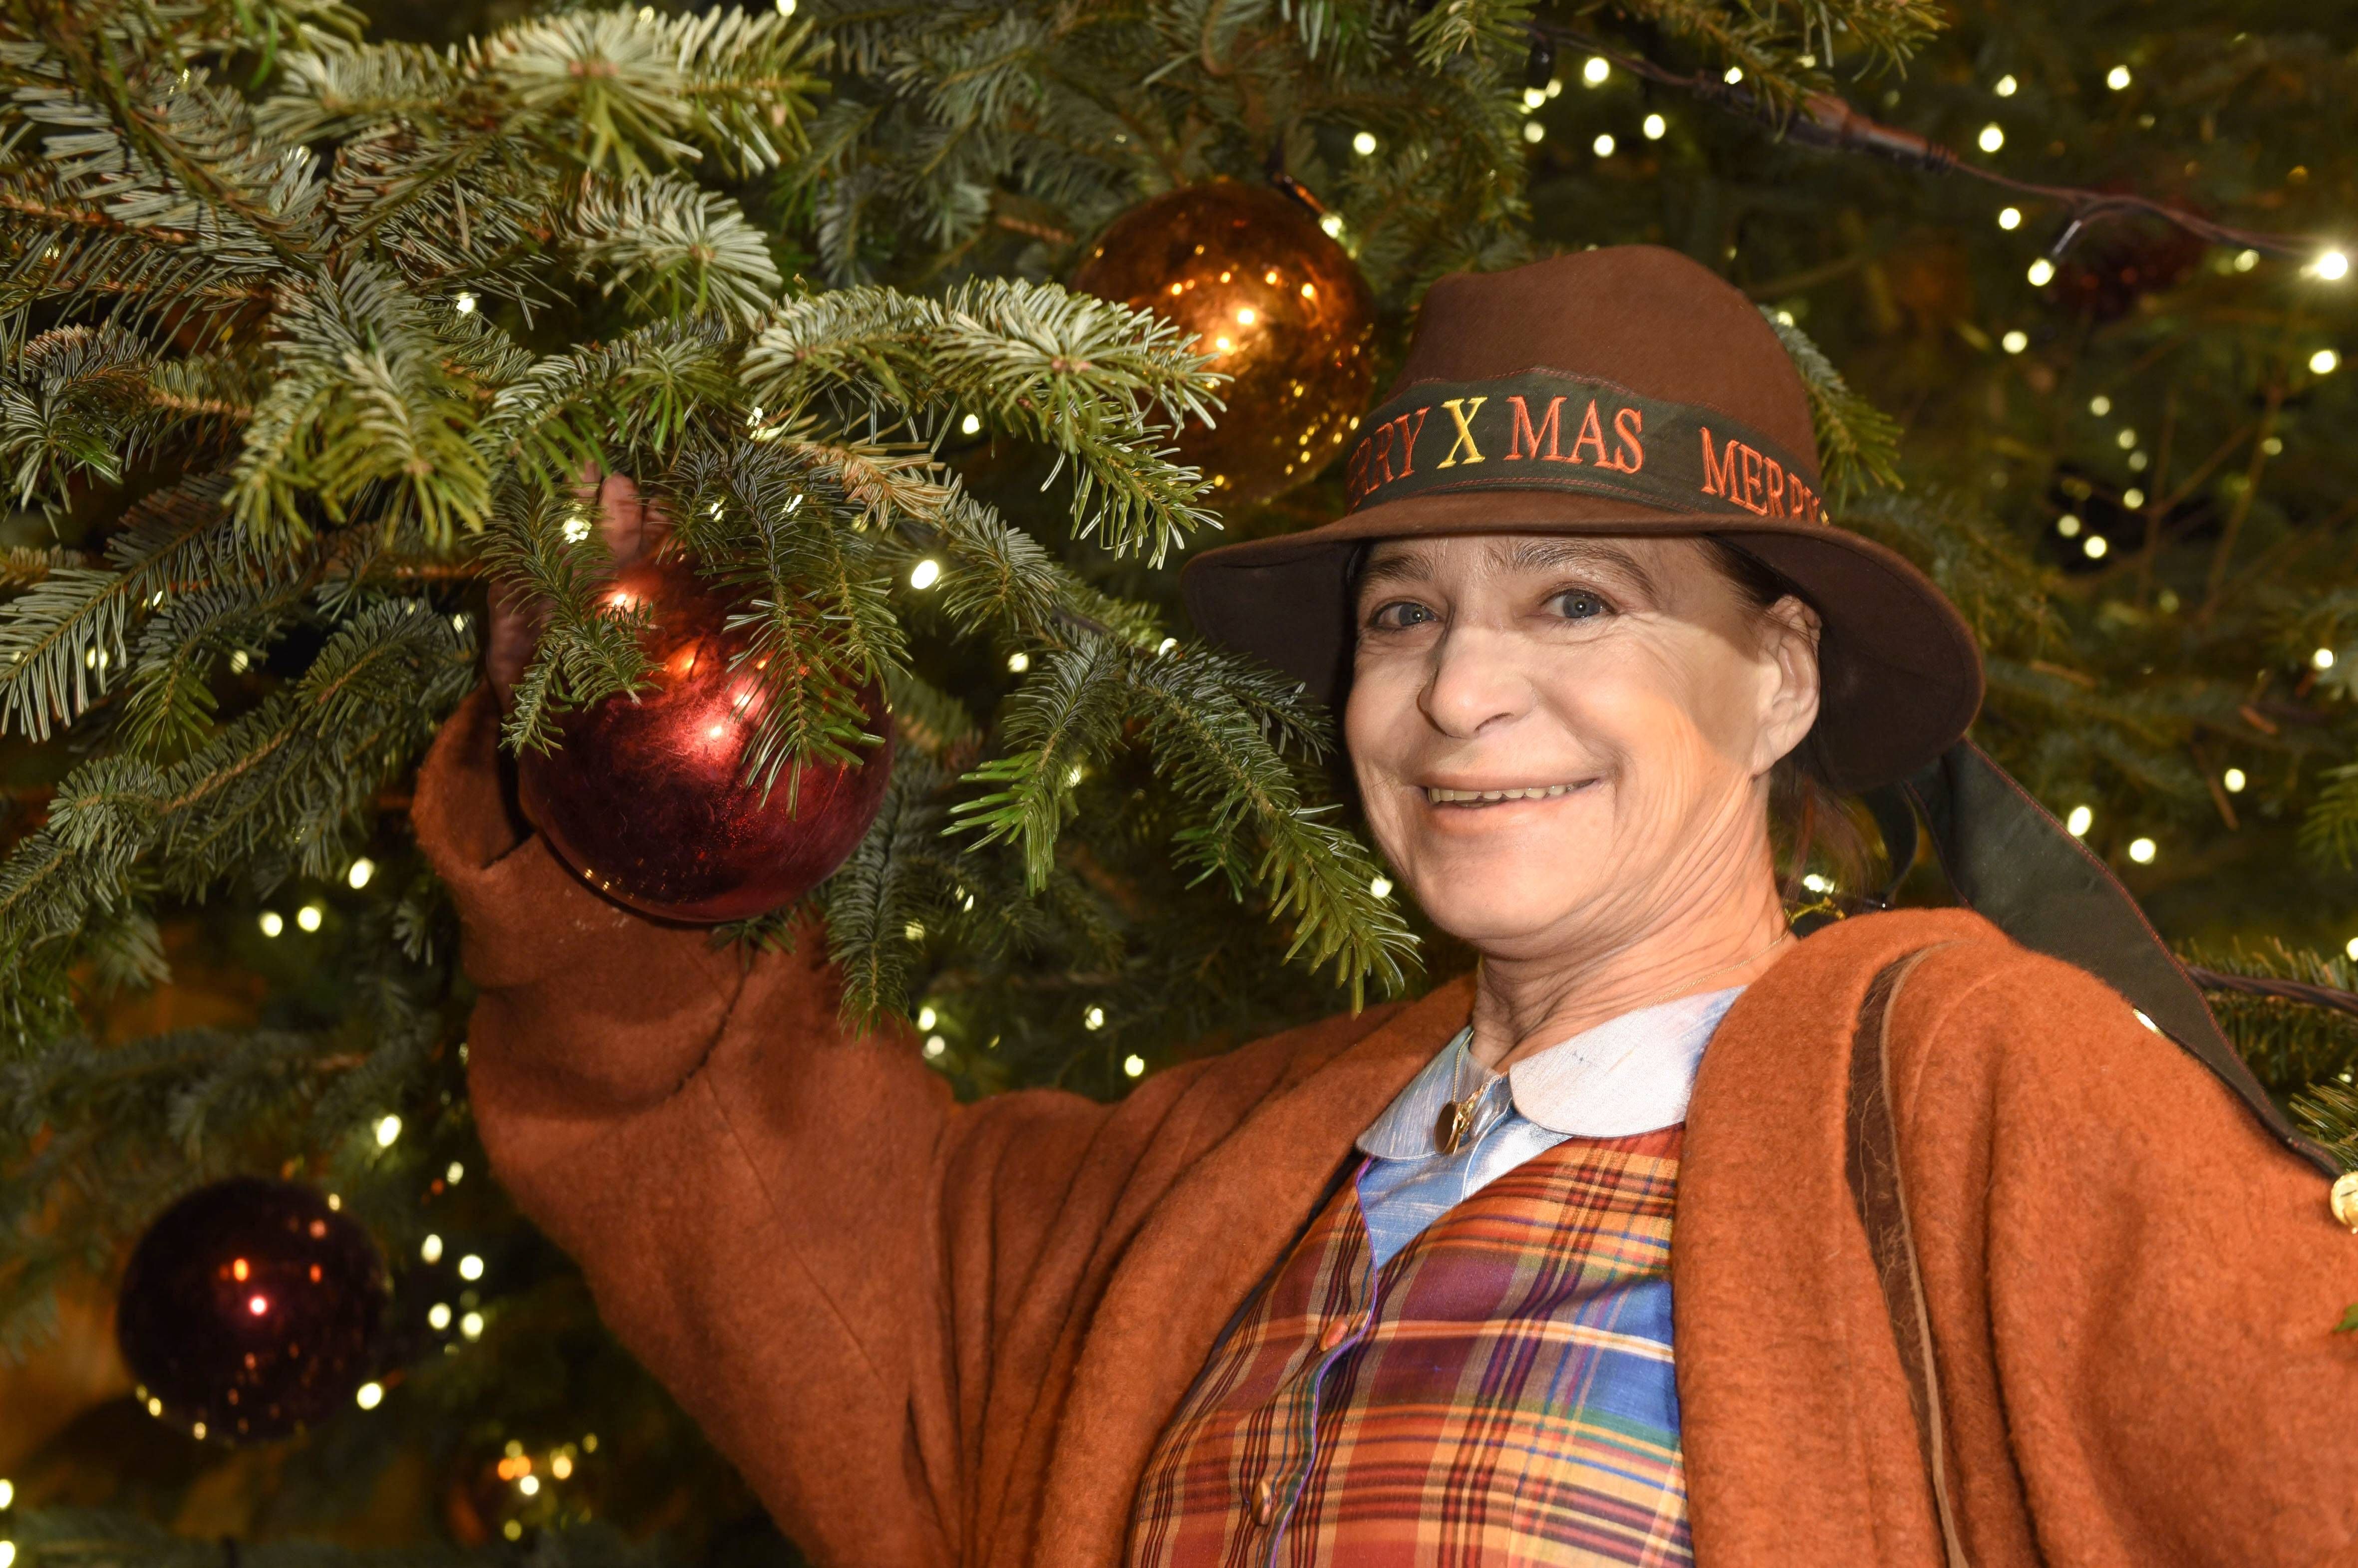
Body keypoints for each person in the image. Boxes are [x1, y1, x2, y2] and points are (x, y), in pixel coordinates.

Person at [415, 246, 2358, 1568]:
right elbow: (716, 1142)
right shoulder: (1212, 1164)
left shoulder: (1958, 1082)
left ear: (1776, 680)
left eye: (1573, 602)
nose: (1454, 692)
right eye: (1404, 611)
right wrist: (610, 720)